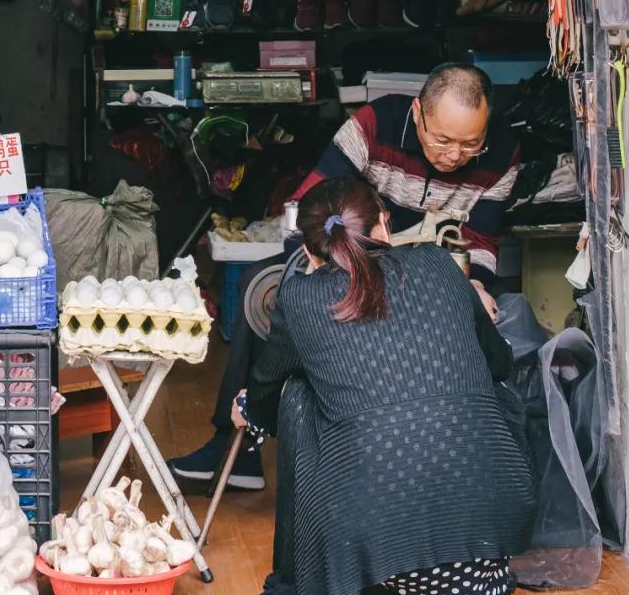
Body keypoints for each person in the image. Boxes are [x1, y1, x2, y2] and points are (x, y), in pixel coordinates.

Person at [171, 62, 519, 491]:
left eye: (470, 145)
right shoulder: (373, 127)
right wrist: (327, 271)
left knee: (494, 316)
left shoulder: (503, 151)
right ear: (417, 114)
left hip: (435, 275)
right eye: (442, 140)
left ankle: (461, 459)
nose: (453, 156)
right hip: (350, 260)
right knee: (259, 288)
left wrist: (476, 287)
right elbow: (306, 211)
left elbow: (481, 239)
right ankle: (235, 448)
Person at [233, 177, 535, 595]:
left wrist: (246, 408)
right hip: (486, 555)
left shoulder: (299, 295)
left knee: (296, 393)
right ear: (385, 227)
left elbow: (264, 391)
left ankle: (355, 573)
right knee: (491, 394)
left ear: (310, 253)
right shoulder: (439, 263)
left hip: (383, 544)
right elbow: (498, 365)